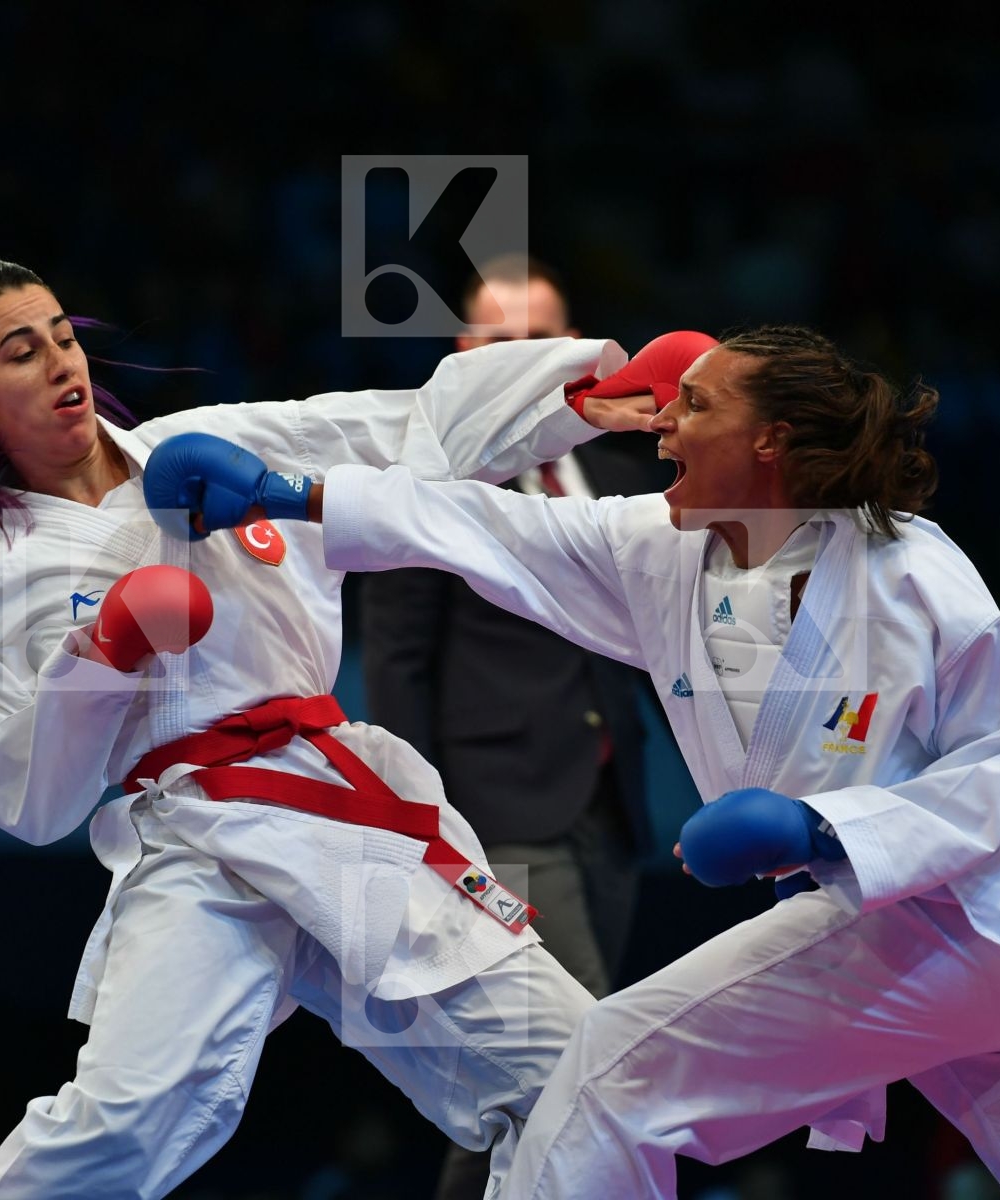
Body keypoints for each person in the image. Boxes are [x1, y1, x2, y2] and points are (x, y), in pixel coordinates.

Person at [167, 325, 1000, 1198]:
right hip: (966, 955)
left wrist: (828, 830)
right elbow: (487, 527)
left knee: (610, 1078)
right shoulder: (655, 548)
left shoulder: (906, 566)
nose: (662, 427)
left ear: (768, 441)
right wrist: (295, 493)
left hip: (961, 921)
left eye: (694, 406)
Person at [0, 258, 682, 1198]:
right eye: (20, 354)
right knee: (125, 1117)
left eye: (64, 335)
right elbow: (32, 797)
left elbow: (407, 430)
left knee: (573, 1077)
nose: (60, 362)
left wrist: (580, 391)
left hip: (340, 812)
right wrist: (100, 656)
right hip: (198, 842)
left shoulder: (205, 443)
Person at [364, 257, 672, 1200]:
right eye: (504, 341)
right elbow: (397, 664)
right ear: (465, 355)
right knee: (584, 1044)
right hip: (495, 811)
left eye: (545, 338)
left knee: (529, 1079)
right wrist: (429, 829)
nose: (527, 356)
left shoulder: (620, 473)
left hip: (609, 805)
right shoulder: (425, 480)